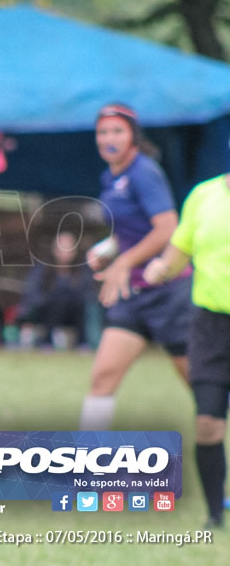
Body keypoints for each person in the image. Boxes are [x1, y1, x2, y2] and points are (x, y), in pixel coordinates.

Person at [78, 103, 192, 430]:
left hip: (169, 293)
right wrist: (107, 250)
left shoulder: (145, 172)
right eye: (102, 132)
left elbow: (168, 227)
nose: (108, 138)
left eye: (117, 130)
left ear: (133, 136)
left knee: (203, 389)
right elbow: (127, 230)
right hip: (133, 293)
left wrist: (124, 262)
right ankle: (85, 466)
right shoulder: (110, 176)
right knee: (102, 378)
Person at [143, 164, 230, 528]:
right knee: (208, 422)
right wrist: (160, 268)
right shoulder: (204, 195)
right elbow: (180, 251)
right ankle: (214, 514)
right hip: (210, 327)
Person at [16, 231, 95, 349]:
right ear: (55, 250)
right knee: (56, 302)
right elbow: (33, 293)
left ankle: (83, 343)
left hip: (74, 312)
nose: (66, 252)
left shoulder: (82, 271)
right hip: (46, 311)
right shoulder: (42, 270)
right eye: (62, 248)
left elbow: (88, 293)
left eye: (69, 248)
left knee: (81, 305)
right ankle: (46, 342)